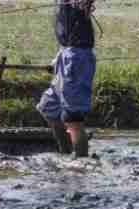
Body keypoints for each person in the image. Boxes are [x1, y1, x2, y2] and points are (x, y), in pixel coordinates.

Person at [37, 0, 97, 157]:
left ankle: (81, 163)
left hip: (76, 58)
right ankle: (66, 153)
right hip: (67, 54)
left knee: (73, 118)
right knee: (49, 108)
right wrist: (58, 59)